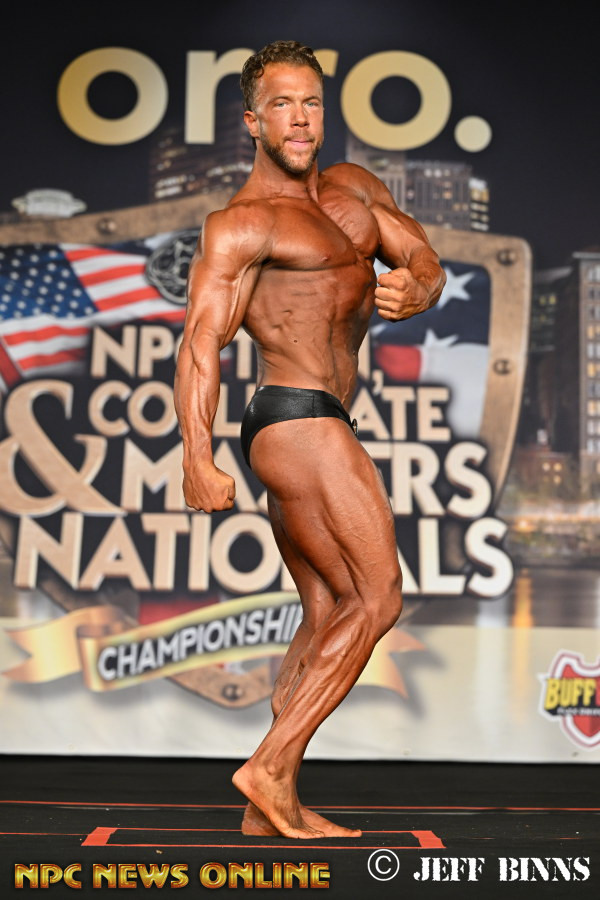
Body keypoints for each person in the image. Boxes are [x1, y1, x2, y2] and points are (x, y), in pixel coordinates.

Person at [174, 40, 446, 839]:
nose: (299, 119)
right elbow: (200, 341)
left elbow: (420, 255)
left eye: (312, 103)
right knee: (378, 596)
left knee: (328, 609)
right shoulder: (243, 224)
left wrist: (420, 286)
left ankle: (271, 804)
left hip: (322, 418)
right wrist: (196, 455)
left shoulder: (356, 191)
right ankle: (268, 765)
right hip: (295, 417)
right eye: (281, 105)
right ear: (253, 122)